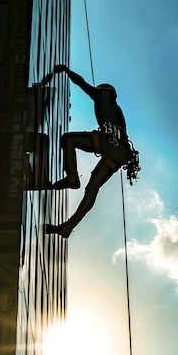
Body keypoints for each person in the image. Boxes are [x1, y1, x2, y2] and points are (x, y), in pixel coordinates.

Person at [44, 64, 140, 238]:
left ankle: (72, 176)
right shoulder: (116, 109)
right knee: (92, 189)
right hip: (119, 152)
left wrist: (67, 71)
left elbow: (81, 83)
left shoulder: (103, 97)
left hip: (109, 143)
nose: (96, 92)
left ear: (105, 92)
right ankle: (67, 227)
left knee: (69, 139)